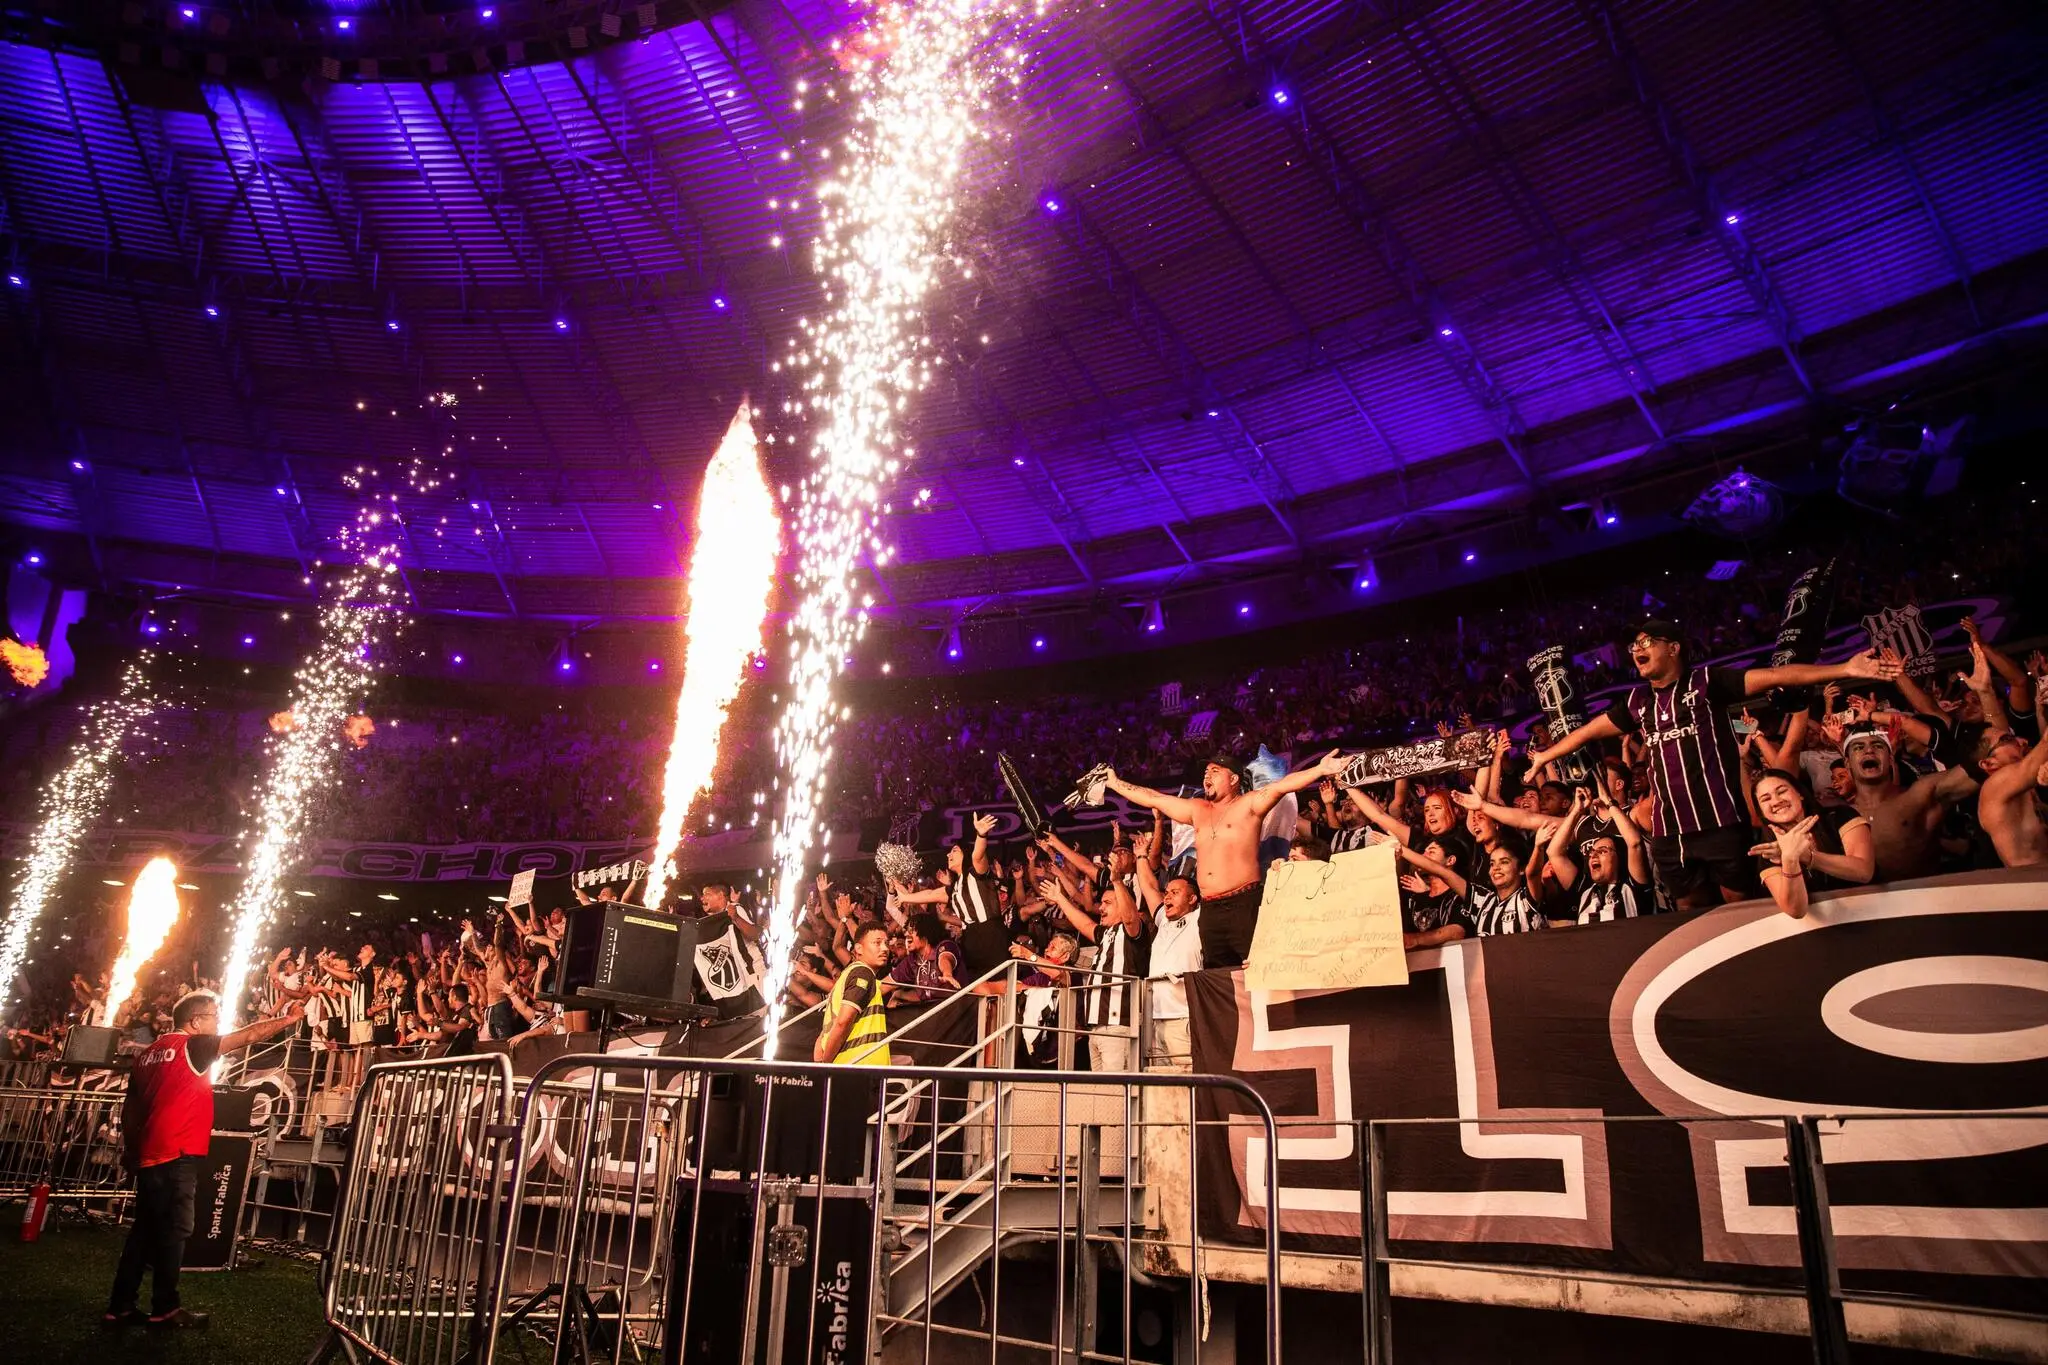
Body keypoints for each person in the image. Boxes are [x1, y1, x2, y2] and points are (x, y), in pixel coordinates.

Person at [1528, 619, 1899, 908]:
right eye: (1633, 645)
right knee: (1688, 906)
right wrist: (1546, 755)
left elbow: (1777, 676)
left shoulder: (1707, 682)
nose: (1636, 650)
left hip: (1721, 824)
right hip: (1670, 833)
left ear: (1673, 648)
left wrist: (1845, 669)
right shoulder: (1636, 701)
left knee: (1738, 904)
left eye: (1645, 643)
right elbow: (1591, 729)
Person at [105, 991, 302, 1330]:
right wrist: (289, 1019)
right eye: (212, 1015)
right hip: (176, 1151)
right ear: (195, 1021)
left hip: (151, 1152)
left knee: (144, 1231)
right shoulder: (192, 1046)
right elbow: (251, 1035)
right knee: (175, 1229)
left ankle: (120, 1306)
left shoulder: (147, 1054)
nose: (216, 1022)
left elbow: (130, 1111)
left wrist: (132, 1150)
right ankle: (165, 1309)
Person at [1104, 748, 1346, 968]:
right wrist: (1114, 783)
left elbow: (1283, 786)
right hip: (1209, 909)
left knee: (1256, 971)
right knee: (1217, 979)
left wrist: (1320, 769)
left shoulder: (1248, 805)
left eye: (1215, 771)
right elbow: (1153, 798)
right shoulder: (1197, 809)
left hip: (1244, 902)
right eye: (1206, 772)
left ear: (1233, 779)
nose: (1206, 776)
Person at [1840, 723, 1981, 880]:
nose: (1869, 750)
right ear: (1847, 763)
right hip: (1862, 901)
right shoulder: (1839, 815)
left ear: (1890, 758)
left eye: (1878, 746)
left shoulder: (1918, 795)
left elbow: (1979, 768)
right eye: (1859, 747)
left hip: (1923, 896)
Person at [1747, 768, 1876, 918]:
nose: (1776, 801)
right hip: (1821, 931)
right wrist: (1790, 858)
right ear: (1761, 811)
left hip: (1873, 913)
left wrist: (1806, 856)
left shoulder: (1840, 816)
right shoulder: (1769, 852)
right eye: (1765, 799)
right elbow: (1796, 910)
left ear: (1800, 794)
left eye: (1781, 791)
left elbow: (1863, 871)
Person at [815, 922, 891, 1066]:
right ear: (858, 948)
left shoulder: (849, 973)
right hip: (860, 1065)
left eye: (886, 943)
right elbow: (843, 1022)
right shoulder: (863, 972)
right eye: (877, 943)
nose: (885, 948)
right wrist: (826, 1064)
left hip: (851, 1064)